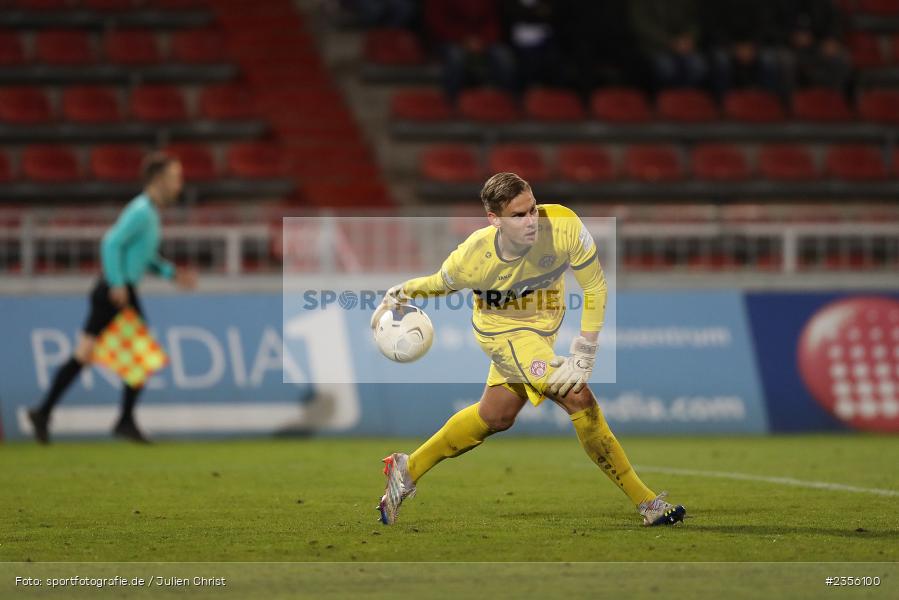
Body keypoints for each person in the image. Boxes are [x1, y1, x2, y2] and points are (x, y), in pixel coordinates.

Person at [372, 172, 687, 527]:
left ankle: (407, 468)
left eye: (532, 209)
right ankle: (647, 503)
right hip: (503, 334)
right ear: (495, 220)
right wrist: (402, 292)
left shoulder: (564, 226)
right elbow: (440, 283)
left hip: (540, 335)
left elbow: (595, 286)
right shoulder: (474, 256)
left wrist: (585, 348)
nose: (531, 221)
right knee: (578, 397)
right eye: (518, 216)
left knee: (495, 416)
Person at [27, 152, 197, 444]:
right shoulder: (142, 211)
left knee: (85, 354)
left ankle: (45, 412)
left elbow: (142, 256)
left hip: (115, 290)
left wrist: (171, 273)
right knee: (139, 358)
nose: (179, 184)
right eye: (175, 177)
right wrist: (117, 283)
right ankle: (124, 420)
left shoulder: (149, 212)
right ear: (159, 179)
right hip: (116, 292)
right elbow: (111, 243)